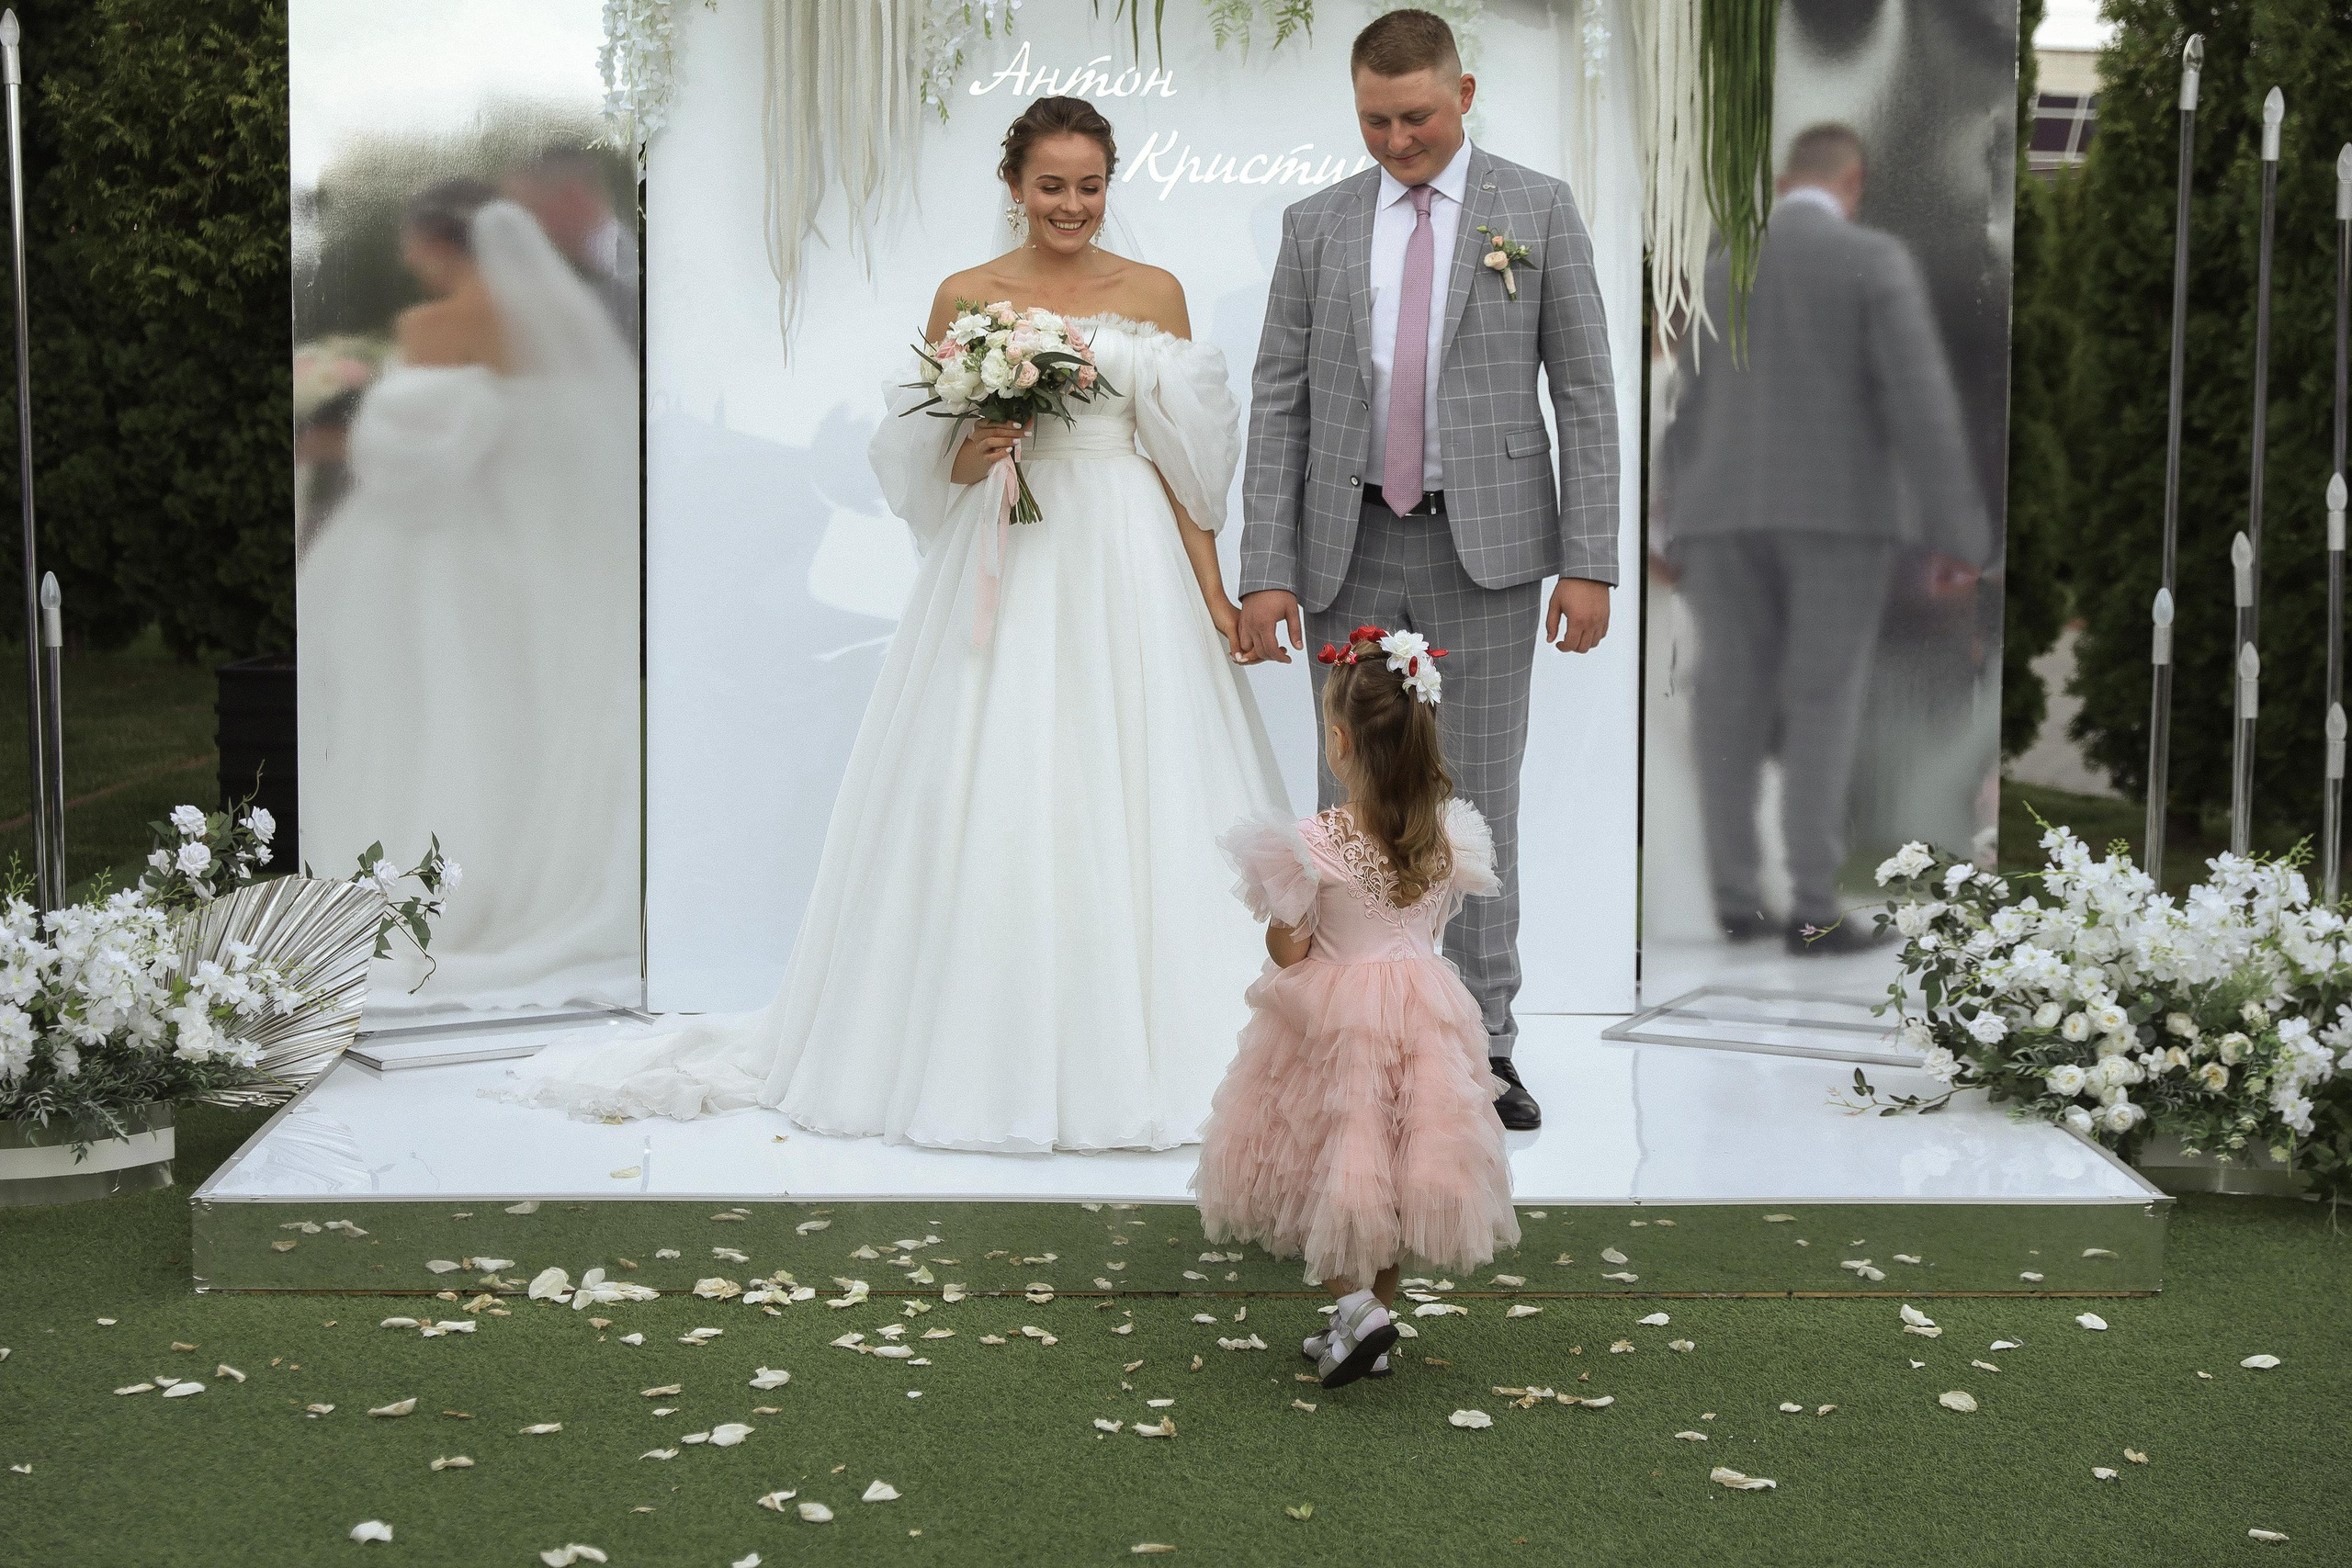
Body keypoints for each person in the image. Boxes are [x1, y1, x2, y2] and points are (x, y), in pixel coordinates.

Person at [508, 96, 1291, 1152]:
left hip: (1128, 558)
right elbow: (927, 461)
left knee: (1143, 774)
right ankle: (975, 1048)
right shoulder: (966, 295)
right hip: (1009, 553)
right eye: (1050, 186)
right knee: (995, 776)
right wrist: (983, 444)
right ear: (1013, 186)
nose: (1071, 205)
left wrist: (1212, 593)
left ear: (1110, 184)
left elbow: (1184, 462)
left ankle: (1163, 1047)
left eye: (1090, 185)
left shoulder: (1155, 292)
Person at [1237, 9, 1621, 1131]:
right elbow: (1278, 401)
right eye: (1374, 120)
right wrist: (1265, 567)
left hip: (1488, 554)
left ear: (1463, 93)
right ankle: (1340, 1047)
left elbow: (1587, 395)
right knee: (1347, 810)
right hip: (1343, 547)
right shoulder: (1315, 225)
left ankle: (1486, 1049)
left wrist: (1589, 561)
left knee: (1479, 806)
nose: (1397, 139)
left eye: (1415, 116)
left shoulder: (1535, 210)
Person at [299, 181, 641, 1009]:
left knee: (436, 713)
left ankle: (443, 885)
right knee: (525, 714)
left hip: (441, 557)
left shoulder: (432, 326)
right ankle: (528, 876)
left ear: (431, 241)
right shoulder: (559, 324)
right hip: (538, 557)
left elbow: (408, 460)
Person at [1654, 123, 1987, 954]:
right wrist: (1959, 534)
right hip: (1840, 517)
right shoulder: (1874, 259)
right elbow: (1920, 399)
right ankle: (1810, 907)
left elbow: (1690, 405)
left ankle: (1736, 900)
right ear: (1853, 182)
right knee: (1822, 702)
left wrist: (1668, 513)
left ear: (1782, 183)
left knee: (1727, 701)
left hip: (1721, 516)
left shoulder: (1727, 266)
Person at [1193, 626, 1519, 1389]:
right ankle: (1368, 1322)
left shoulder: (1313, 843)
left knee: (1319, 1164)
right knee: (1396, 1169)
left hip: (1337, 1021)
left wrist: (1289, 917)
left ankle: (1356, 1308)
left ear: (1338, 742)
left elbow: (1291, 951)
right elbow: (1429, 930)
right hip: (1424, 1016)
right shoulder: (1446, 838)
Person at [503, 147, 639, 346]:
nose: (528, 228)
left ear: (570, 197)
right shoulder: (588, 260)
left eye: (530, 210)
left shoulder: (629, 270)